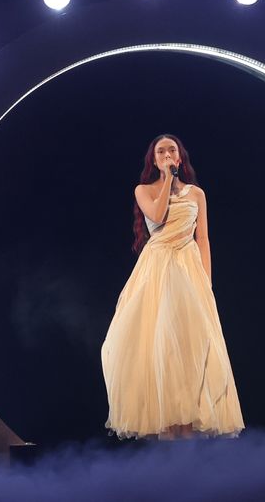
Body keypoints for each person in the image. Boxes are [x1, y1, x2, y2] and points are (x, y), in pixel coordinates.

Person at [101, 134, 245, 440]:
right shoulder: (143, 190)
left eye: (172, 150)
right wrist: (166, 179)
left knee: (190, 345)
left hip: (188, 269)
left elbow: (203, 239)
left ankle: (189, 432)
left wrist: (207, 282)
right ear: (154, 160)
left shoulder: (197, 194)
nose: (167, 154)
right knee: (158, 345)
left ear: (180, 158)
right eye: (161, 151)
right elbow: (157, 214)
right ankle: (167, 436)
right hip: (158, 270)